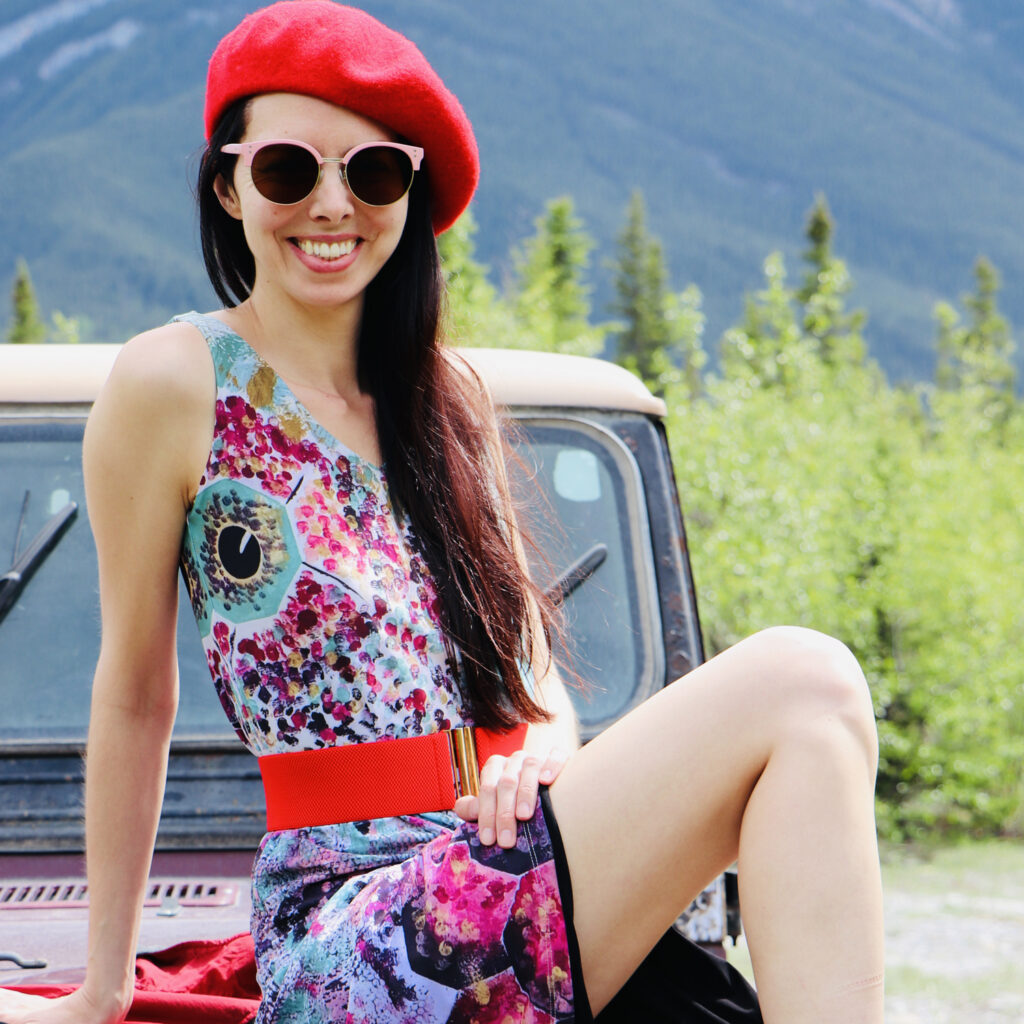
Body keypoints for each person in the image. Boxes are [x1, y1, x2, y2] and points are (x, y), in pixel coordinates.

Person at [0, 3, 885, 1022]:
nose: (331, 205)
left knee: (816, 715)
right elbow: (133, 696)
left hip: (503, 855)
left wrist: (551, 747)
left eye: (371, 172)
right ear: (228, 184)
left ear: (408, 195)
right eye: (290, 169)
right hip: (354, 925)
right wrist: (101, 990)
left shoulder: (446, 400)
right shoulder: (176, 380)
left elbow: (528, 666)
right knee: (806, 675)